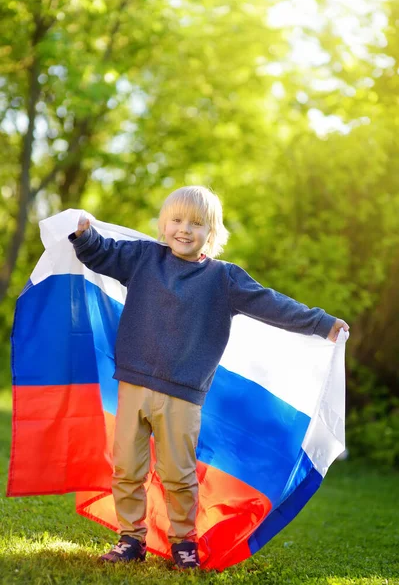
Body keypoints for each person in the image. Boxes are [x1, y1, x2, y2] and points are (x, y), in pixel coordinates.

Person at [68, 185, 349, 569]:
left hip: (182, 397)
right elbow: (103, 255)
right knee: (126, 467)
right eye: (177, 220)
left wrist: (320, 322)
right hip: (132, 385)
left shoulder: (224, 279)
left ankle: (184, 543)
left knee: (178, 474)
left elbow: (271, 303)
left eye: (196, 224)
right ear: (163, 226)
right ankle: (130, 540)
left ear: (211, 234)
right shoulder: (143, 258)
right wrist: (84, 235)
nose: (185, 229)